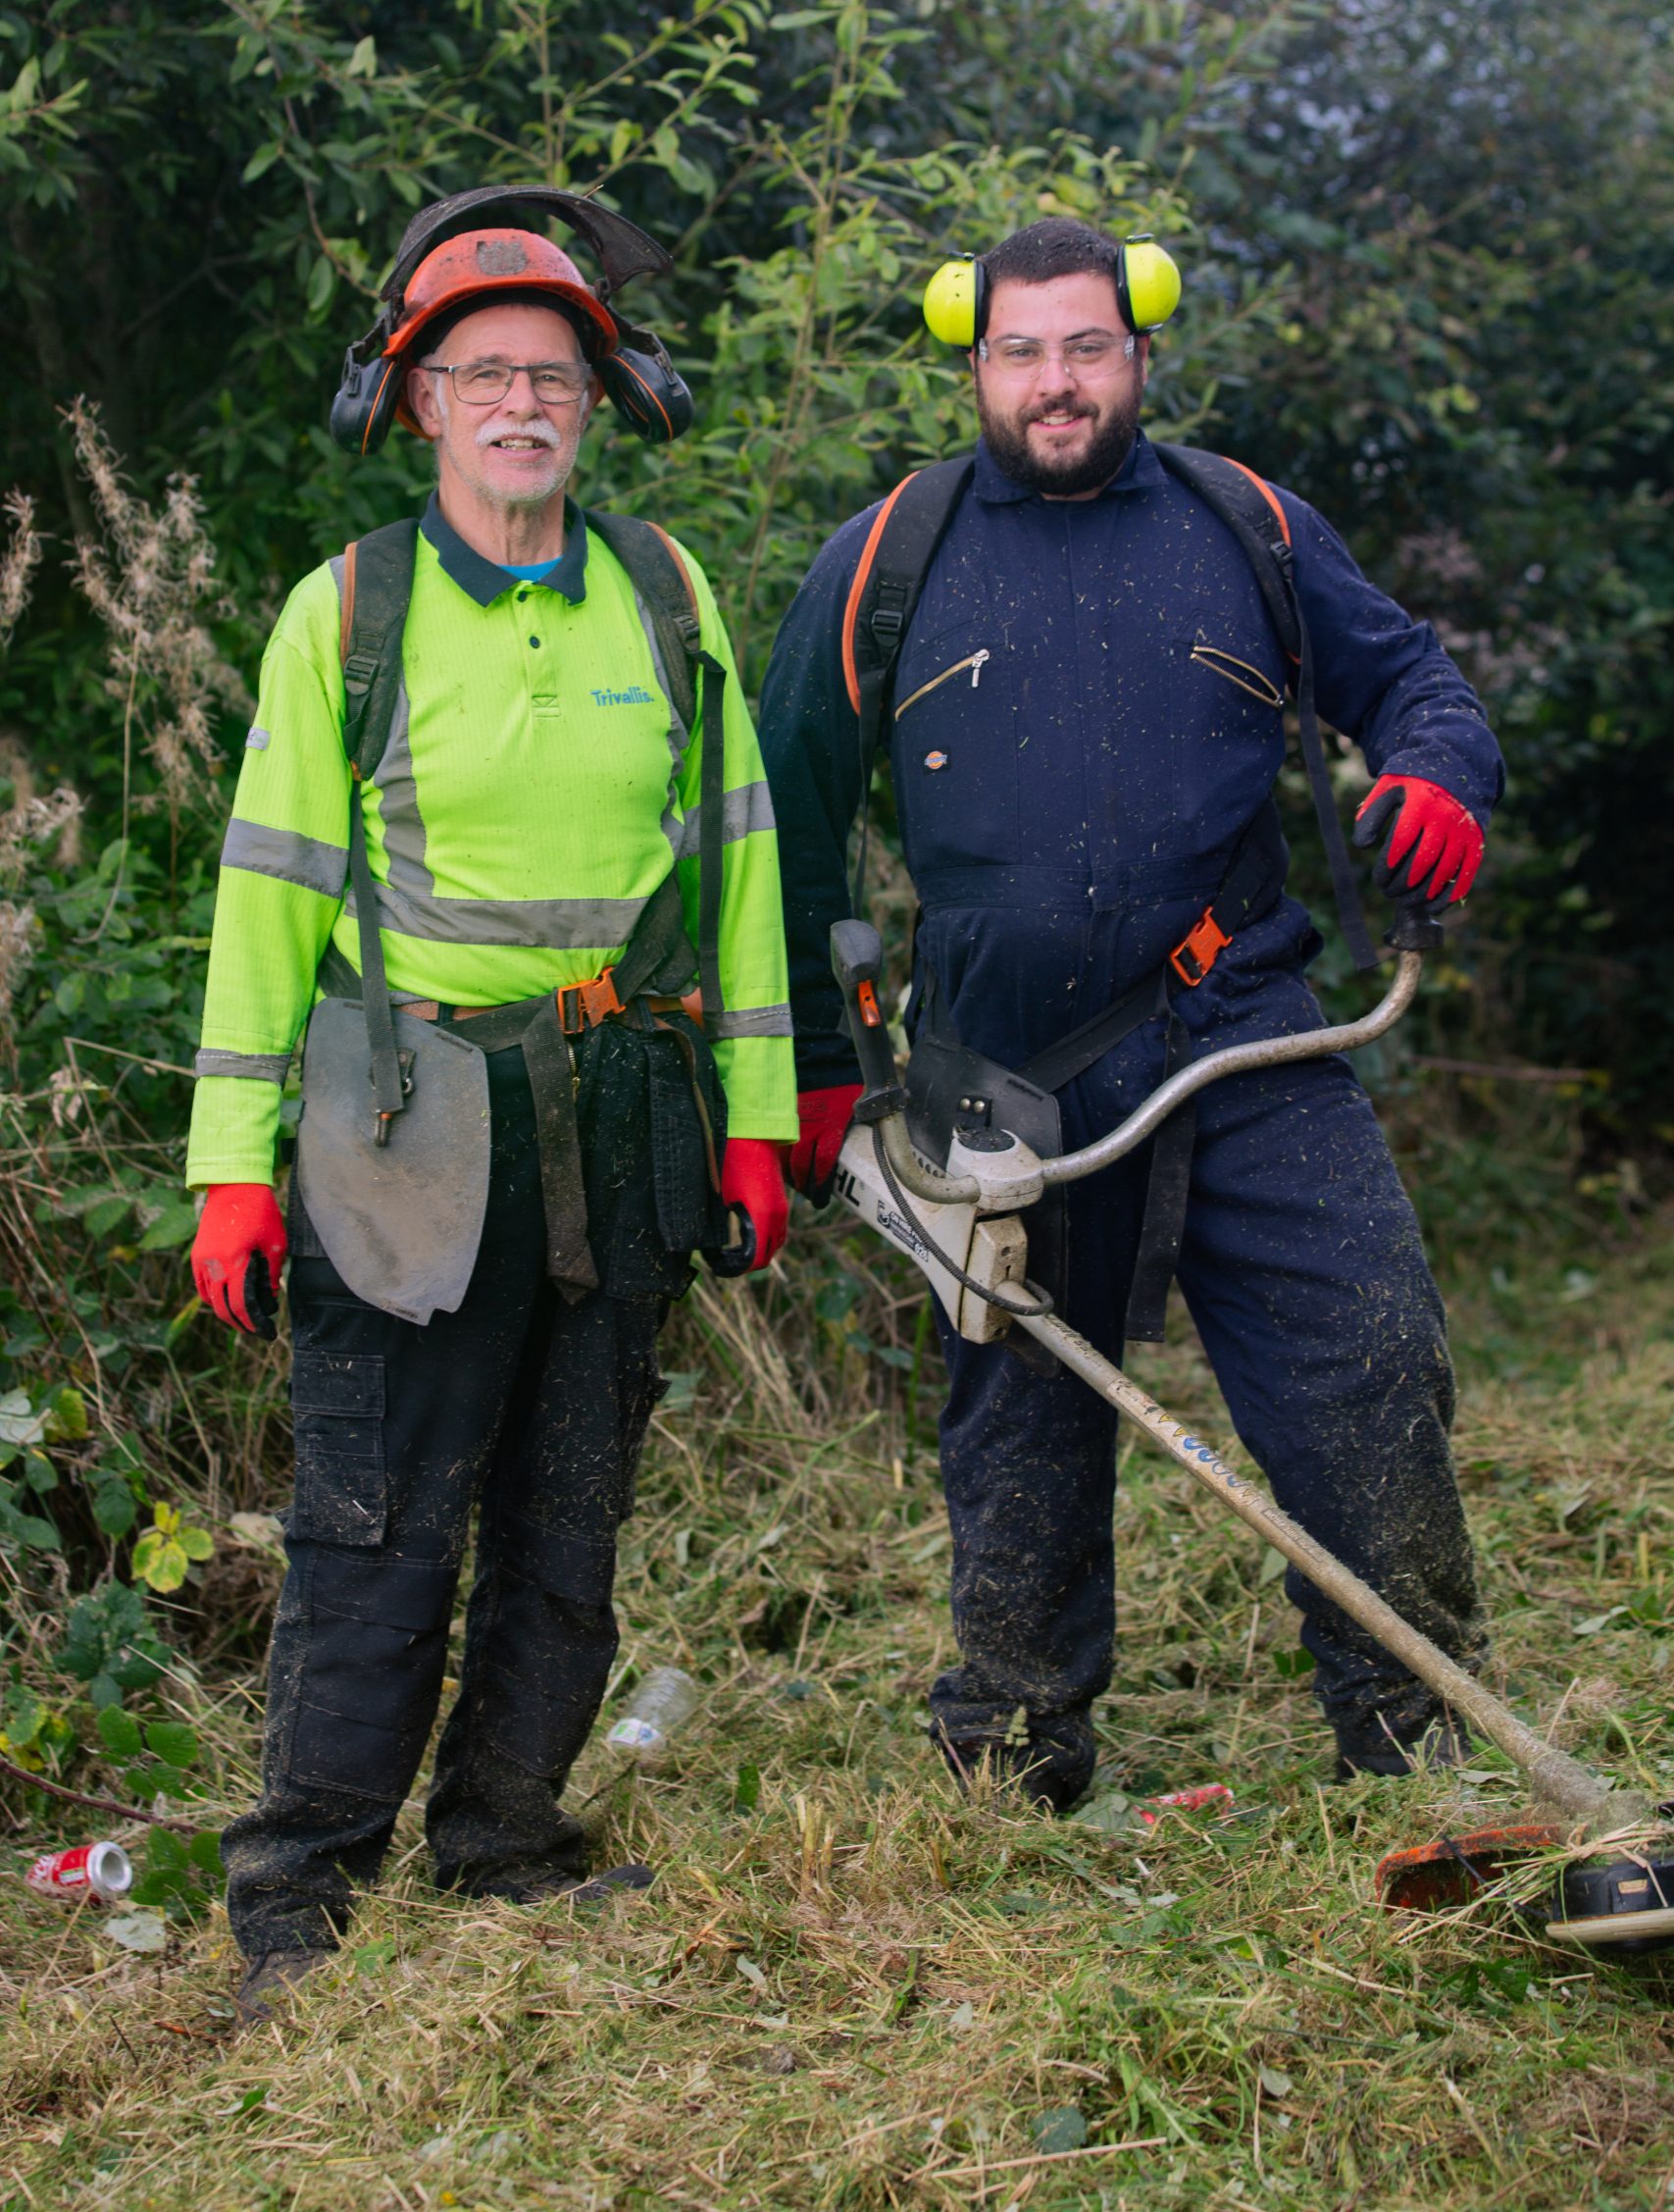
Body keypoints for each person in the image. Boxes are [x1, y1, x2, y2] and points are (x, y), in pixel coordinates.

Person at [757, 215, 1500, 1811]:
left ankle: (1420, 1736)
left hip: (1247, 1032)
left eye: (1087, 347)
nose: (1057, 383)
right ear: (976, 364)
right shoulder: (887, 557)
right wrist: (821, 1070)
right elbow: (784, 816)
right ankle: (1017, 1757)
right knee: (1017, 1418)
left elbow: (1414, 680)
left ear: (1141, 351)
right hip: (991, 1066)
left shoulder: (1248, 526)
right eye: (1021, 353)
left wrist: (1443, 772)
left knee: (1370, 1355)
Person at [187, 191, 795, 2020]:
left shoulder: (668, 594)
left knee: (569, 1504)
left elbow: (742, 872)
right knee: (376, 1514)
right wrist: (232, 1172)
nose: (522, 403)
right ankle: (300, 1894)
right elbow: (268, 893)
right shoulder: (346, 610)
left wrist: (754, 1119)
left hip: (624, 1093)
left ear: (597, 404)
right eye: (483, 376)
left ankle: (508, 1840)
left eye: (552, 374)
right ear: (422, 404)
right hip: (411, 1108)